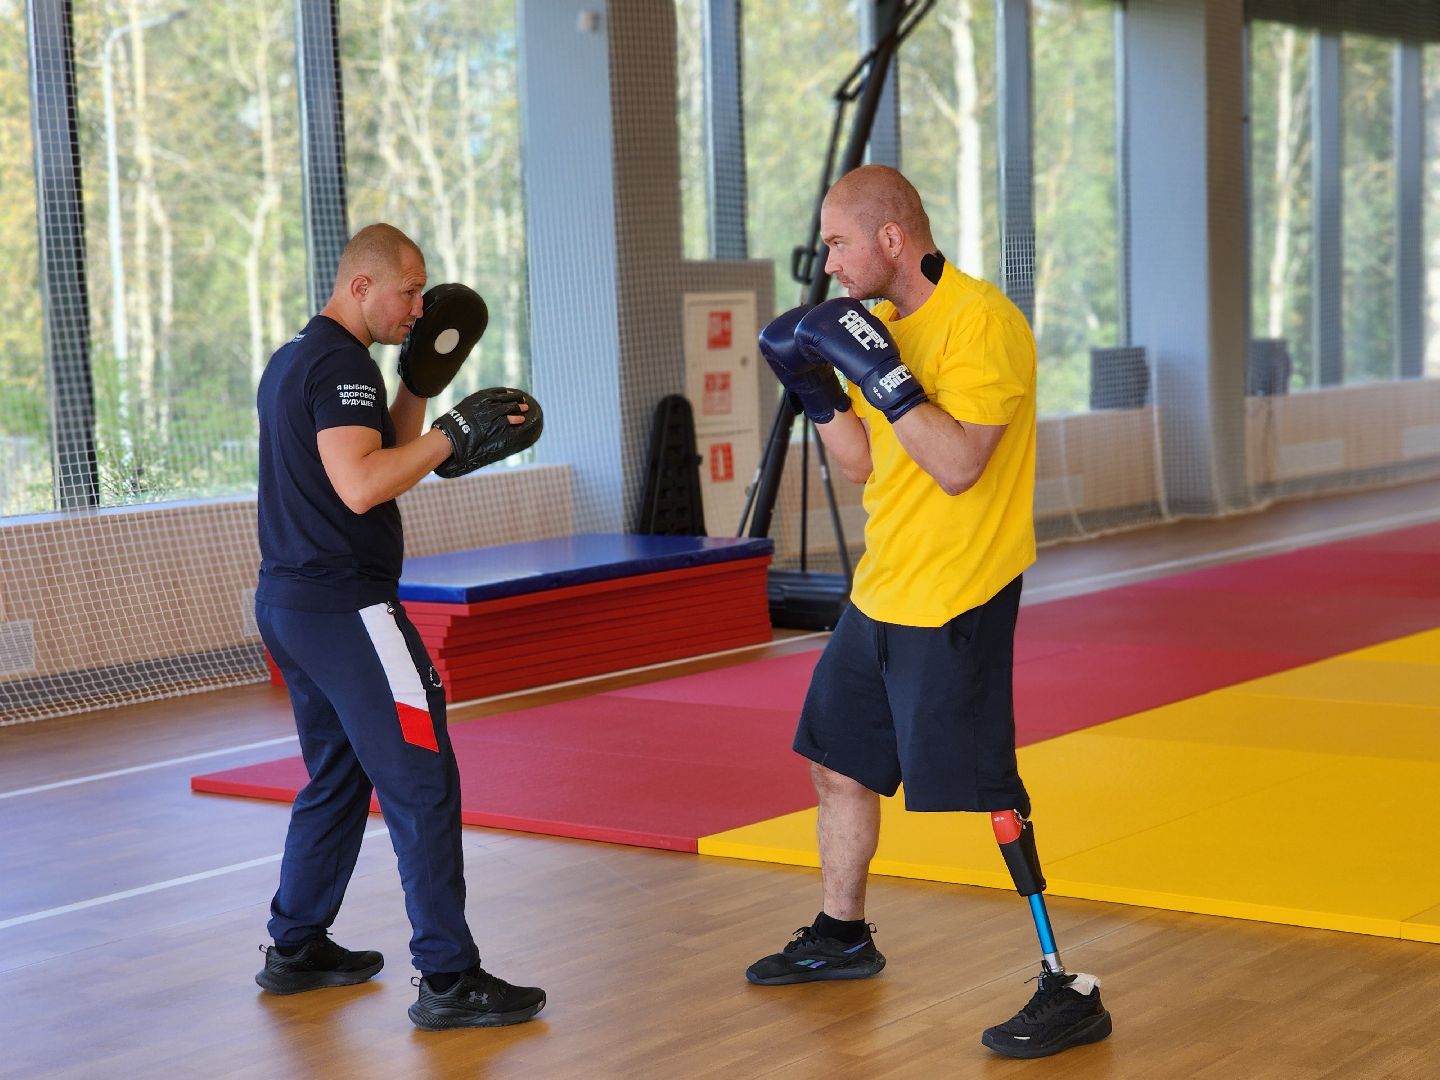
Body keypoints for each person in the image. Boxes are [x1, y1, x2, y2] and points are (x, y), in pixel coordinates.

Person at [746, 166, 1112, 1060]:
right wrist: (818, 388)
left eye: (837, 244)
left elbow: (956, 464)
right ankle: (843, 935)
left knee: (990, 790)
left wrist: (885, 372)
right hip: (880, 589)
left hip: (961, 593)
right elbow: (862, 467)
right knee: (836, 764)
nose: (826, 264)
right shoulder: (877, 326)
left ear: (891, 239)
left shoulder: (982, 323)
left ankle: (1066, 983)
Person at [252, 222, 545, 1030]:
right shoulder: (343, 367)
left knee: (339, 775)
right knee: (422, 778)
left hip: (290, 604)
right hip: (348, 608)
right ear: (359, 287)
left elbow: (385, 454)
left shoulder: (297, 360)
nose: (419, 307)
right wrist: (455, 432)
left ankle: (297, 946)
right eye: (408, 291)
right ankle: (450, 978)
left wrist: (419, 390)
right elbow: (361, 485)